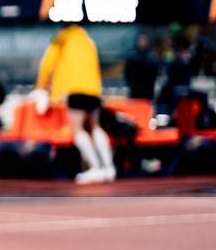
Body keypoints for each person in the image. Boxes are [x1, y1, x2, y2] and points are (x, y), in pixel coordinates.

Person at [35, 22, 113, 183]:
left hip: (75, 90)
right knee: (95, 127)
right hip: (93, 90)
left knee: (77, 129)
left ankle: (95, 167)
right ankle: (109, 167)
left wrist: (41, 88)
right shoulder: (88, 41)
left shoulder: (61, 40)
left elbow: (47, 65)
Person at [124, 31, 161, 102]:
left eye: (143, 40)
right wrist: (130, 84)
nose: (141, 42)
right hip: (135, 89)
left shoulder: (152, 56)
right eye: (140, 40)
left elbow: (156, 72)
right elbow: (127, 72)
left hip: (148, 90)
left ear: (147, 41)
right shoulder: (132, 55)